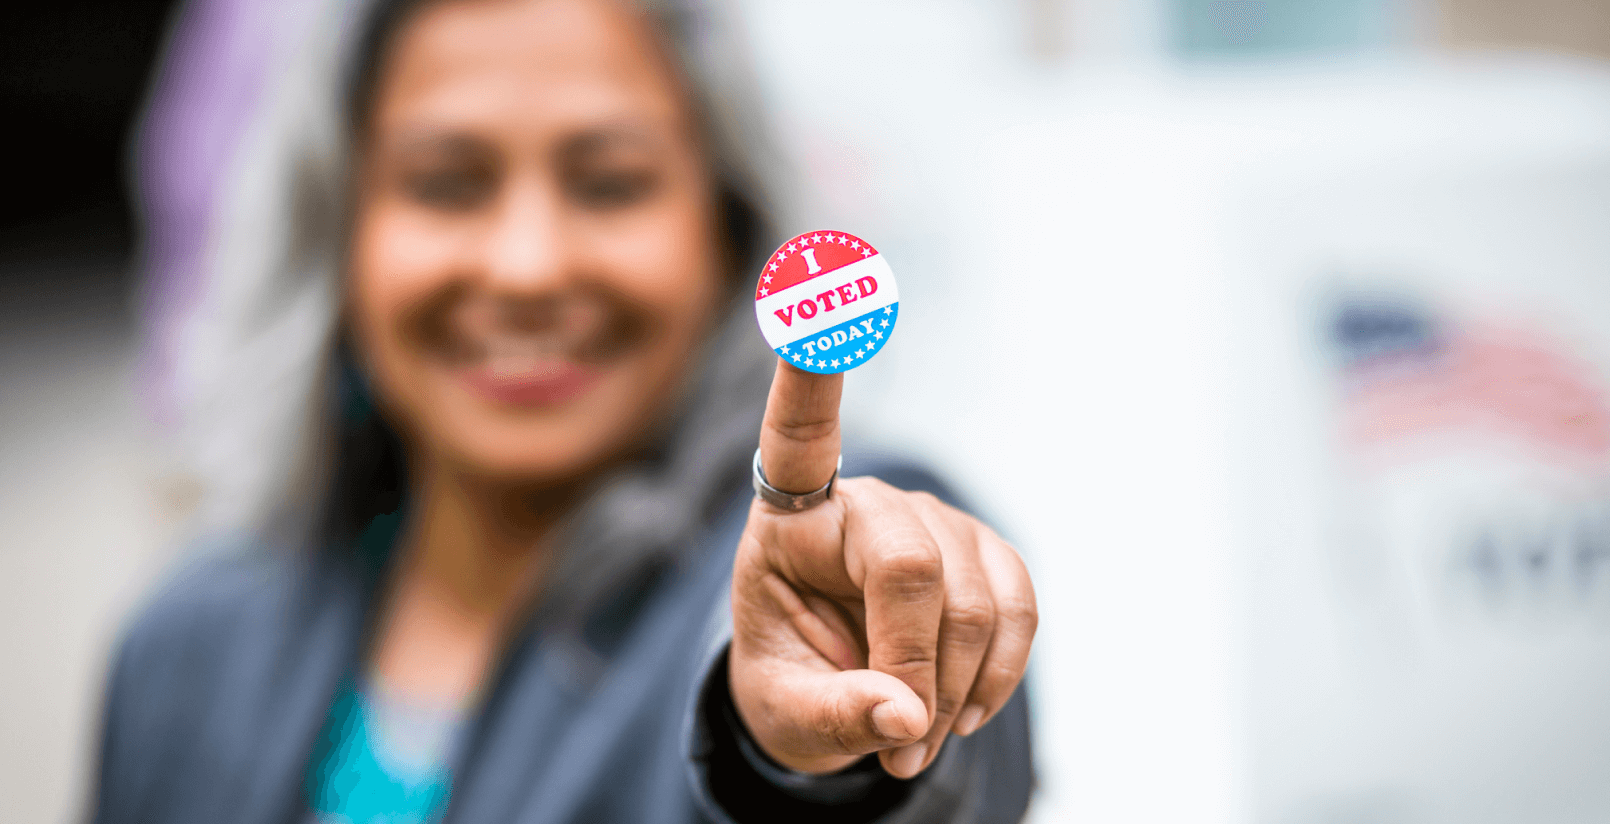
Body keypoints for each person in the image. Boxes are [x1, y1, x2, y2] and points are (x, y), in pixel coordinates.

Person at [92, 0, 1037, 822]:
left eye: (610, 183)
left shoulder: (835, 561)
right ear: (338, 233)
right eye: (446, 184)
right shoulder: (189, 640)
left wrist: (801, 766)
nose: (528, 267)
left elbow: (909, 773)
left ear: (725, 226)